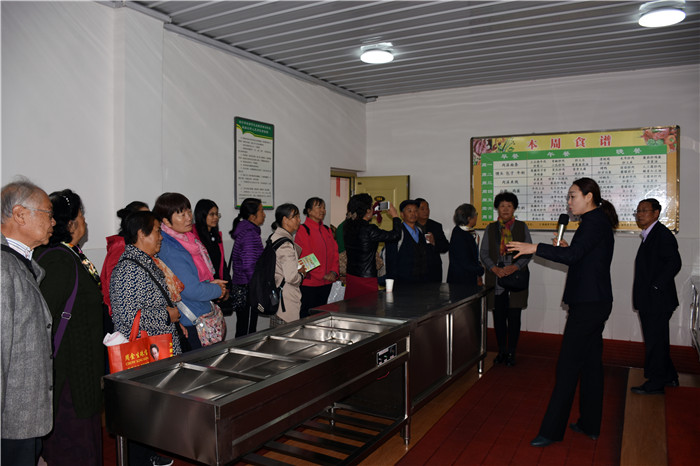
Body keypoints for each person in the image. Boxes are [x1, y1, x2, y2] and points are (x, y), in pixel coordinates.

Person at [507, 177, 618, 447]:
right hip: (594, 302)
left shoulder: (594, 222)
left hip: (589, 305)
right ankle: (590, 424)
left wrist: (535, 247)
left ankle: (551, 431)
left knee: (567, 366)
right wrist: (567, 250)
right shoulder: (594, 221)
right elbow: (580, 256)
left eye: (572, 196)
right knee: (590, 365)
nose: (569, 202)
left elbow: (573, 257)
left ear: (589, 196)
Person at [35, 189, 104, 466]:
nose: (85, 220)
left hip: (81, 372)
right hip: (69, 377)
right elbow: (45, 318)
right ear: (72, 223)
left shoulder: (70, 255)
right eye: (82, 215)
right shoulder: (58, 260)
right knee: (73, 449)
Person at [109, 210, 177, 466]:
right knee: (140, 410)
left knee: (151, 409)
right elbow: (127, 319)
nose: (161, 237)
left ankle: (149, 455)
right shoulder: (128, 269)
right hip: (143, 353)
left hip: (157, 350)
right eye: (157, 231)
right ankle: (139, 459)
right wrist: (167, 315)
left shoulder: (145, 261)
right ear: (141, 234)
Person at [1, 179, 55, 466]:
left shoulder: (22, 262)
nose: (53, 222)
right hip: (10, 420)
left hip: (26, 415)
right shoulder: (2, 268)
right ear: (20, 215)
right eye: (48, 213)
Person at [154, 193, 227, 350]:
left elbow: (193, 277)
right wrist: (217, 289)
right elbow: (191, 290)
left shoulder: (188, 239)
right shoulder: (170, 248)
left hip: (197, 313)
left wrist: (210, 283)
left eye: (189, 212)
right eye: (181, 215)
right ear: (166, 221)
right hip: (190, 320)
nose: (188, 218)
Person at [630, 198, 682, 395]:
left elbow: (674, 263)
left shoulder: (662, 234)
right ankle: (669, 376)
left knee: (655, 343)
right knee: (658, 340)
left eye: (644, 210)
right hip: (652, 299)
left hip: (657, 300)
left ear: (656, 213)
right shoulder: (650, 234)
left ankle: (655, 383)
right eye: (638, 211)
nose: (640, 214)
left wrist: (656, 286)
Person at [480, 191, 532, 366]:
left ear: (514, 208)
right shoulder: (491, 228)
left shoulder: (522, 227)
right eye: (502, 206)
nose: (505, 209)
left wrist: (514, 267)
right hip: (497, 278)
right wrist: (494, 268)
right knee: (499, 317)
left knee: (514, 317)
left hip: (516, 277)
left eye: (509, 206)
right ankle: (502, 351)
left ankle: (511, 352)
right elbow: (484, 253)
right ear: (497, 208)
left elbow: (528, 252)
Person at [344, 193, 401, 299]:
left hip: (351, 275)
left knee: (352, 305)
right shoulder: (369, 229)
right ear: (367, 211)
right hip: (366, 278)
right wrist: (395, 216)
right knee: (368, 305)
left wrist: (369, 214)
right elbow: (395, 236)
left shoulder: (347, 226)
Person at [100, 201, 149, 315]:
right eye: (145, 218)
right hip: (119, 314)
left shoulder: (134, 245)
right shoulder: (120, 247)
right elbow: (113, 288)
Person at [294, 197, 339, 317]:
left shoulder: (327, 230)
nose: (322, 210)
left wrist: (333, 272)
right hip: (310, 283)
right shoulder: (303, 230)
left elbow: (335, 253)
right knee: (307, 315)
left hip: (327, 282)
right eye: (319, 207)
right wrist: (322, 274)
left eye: (324, 207)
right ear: (309, 211)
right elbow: (305, 256)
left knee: (321, 315)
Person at [229, 198, 266, 337]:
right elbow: (249, 265)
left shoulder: (248, 231)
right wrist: (257, 288)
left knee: (244, 327)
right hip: (248, 288)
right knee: (247, 331)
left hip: (245, 286)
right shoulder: (250, 234)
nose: (264, 214)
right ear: (252, 216)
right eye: (261, 211)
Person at [269, 203, 306, 328]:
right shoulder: (285, 244)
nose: (299, 220)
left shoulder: (274, 237)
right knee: (287, 335)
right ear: (285, 220)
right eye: (296, 217)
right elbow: (291, 277)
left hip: (277, 294)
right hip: (286, 301)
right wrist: (301, 274)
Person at [194, 199, 234, 314]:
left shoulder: (216, 236)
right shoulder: (194, 237)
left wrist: (227, 287)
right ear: (202, 215)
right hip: (204, 287)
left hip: (218, 287)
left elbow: (222, 263)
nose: (215, 217)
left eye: (217, 214)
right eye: (211, 214)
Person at [385, 200, 430, 284]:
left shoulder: (420, 231)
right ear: (402, 214)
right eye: (409, 211)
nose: (413, 214)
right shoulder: (397, 233)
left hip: (421, 282)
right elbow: (391, 261)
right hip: (403, 282)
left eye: (416, 211)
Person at [447, 203, 484, 287]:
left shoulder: (470, 232)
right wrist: (480, 270)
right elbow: (464, 261)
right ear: (469, 218)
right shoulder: (459, 233)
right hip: (461, 281)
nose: (476, 216)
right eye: (475, 214)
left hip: (470, 277)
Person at [416, 197, 450, 282]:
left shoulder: (436, 226)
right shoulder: (410, 226)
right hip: (415, 270)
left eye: (427, 208)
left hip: (433, 270)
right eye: (422, 209)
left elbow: (446, 246)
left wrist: (434, 242)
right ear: (416, 211)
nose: (426, 211)